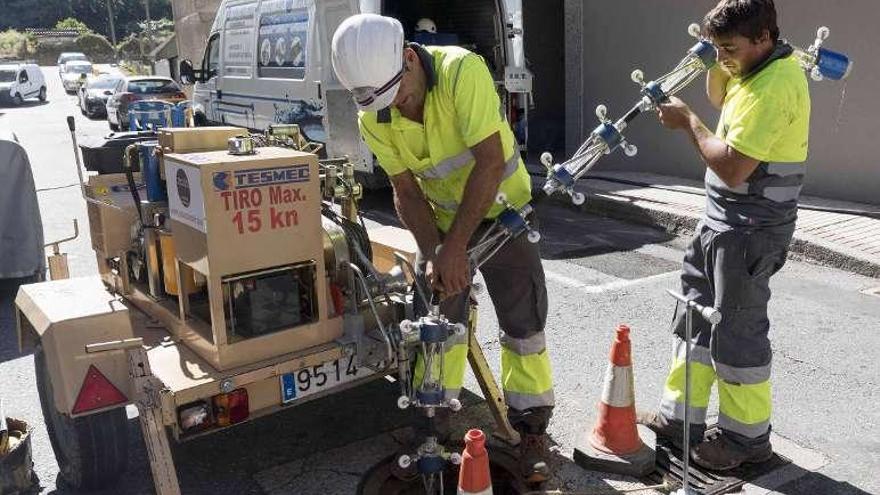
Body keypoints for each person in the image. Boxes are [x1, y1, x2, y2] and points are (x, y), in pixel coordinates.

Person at [331, 14, 555, 482]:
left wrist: (455, 249)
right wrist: (435, 253)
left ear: (409, 59)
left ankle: (531, 431)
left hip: (503, 214)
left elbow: (489, 163)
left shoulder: (461, 72)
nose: (400, 109)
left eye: (403, 96)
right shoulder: (374, 113)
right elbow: (406, 191)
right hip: (444, 227)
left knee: (523, 328)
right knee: (433, 324)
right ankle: (431, 427)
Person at [638, 0, 811, 471]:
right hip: (720, 221)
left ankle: (746, 441)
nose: (724, 57)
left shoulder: (775, 85)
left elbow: (733, 167)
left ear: (764, 37)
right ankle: (681, 418)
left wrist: (687, 122)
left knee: (737, 332)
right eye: (719, 48)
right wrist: (717, 59)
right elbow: (722, 98)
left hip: (751, 229)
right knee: (693, 317)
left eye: (730, 48)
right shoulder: (752, 71)